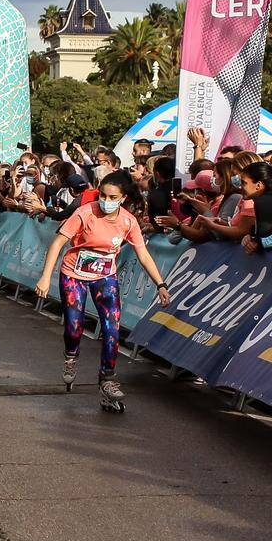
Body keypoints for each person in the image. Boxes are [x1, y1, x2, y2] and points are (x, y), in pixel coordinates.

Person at [35, 175, 172, 413]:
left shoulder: (128, 221)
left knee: (112, 329)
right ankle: (71, 356)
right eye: (103, 196)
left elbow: (143, 254)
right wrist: (45, 276)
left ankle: (107, 380)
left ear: (123, 198)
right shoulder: (85, 213)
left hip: (104, 277)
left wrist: (161, 284)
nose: (106, 201)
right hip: (73, 274)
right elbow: (57, 243)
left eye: (112, 198)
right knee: (74, 327)